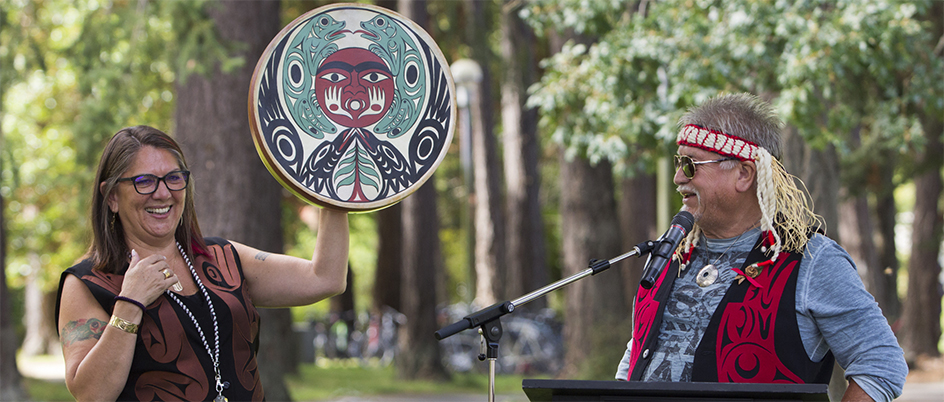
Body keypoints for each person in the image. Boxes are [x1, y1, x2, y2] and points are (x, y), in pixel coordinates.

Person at [615, 93, 907, 401]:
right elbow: (637, 352)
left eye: (691, 165)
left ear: (743, 174)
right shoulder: (669, 253)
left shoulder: (812, 259)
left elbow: (881, 366)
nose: (678, 178)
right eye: (678, 163)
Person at [55, 125, 350, 401]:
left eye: (174, 178)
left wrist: (333, 185)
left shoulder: (223, 258)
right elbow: (90, 393)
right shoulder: (88, 283)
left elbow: (325, 278)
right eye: (144, 182)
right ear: (112, 197)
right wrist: (130, 302)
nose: (163, 193)